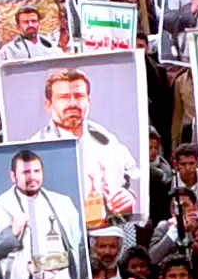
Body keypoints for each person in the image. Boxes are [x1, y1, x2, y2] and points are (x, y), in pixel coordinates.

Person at [28, 68, 142, 227]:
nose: (72, 103)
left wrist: (130, 195)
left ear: (89, 100)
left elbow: (135, 174)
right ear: (48, 104)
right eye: (64, 97)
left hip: (106, 230)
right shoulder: (35, 148)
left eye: (79, 96)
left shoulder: (105, 139)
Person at [0, 147, 87, 279]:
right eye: (26, 172)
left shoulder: (63, 203)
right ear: (13, 176)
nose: (32, 177)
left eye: (36, 171)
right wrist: (11, 233)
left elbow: (79, 247)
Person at [0, 5, 64, 63]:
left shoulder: (52, 47)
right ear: (18, 26)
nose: (30, 25)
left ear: (39, 23)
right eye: (26, 22)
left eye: (34, 21)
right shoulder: (7, 50)